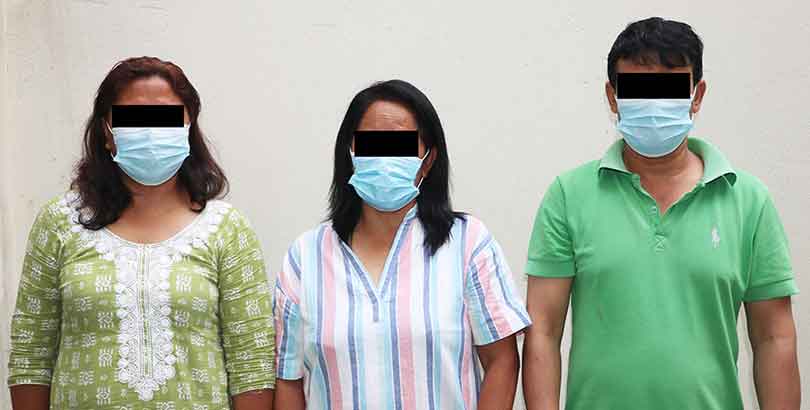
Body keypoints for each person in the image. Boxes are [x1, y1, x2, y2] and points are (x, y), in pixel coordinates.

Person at [522, 17, 801, 410]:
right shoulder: (568, 196)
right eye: (637, 89)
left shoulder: (748, 201)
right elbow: (543, 331)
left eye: (669, 88)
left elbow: (774, 337)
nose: (653, 105)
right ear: (612, 97)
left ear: (697, 95)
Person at [7, 57, 275, 410]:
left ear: (188, 128)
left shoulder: (226, 229)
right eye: (133, 118)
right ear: (107, 132)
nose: (150, 132)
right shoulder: (60, 222)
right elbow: (31, 354)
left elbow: (252, 363)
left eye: (165, 118)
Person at [273, 80, 531, 409]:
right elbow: (288, 380)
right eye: (372, 144)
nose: (384, 158)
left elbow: (502, 362)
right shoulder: (305, 257)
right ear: (350, 153)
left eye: (401, 145)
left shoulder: (468, 244)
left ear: (428, 160)